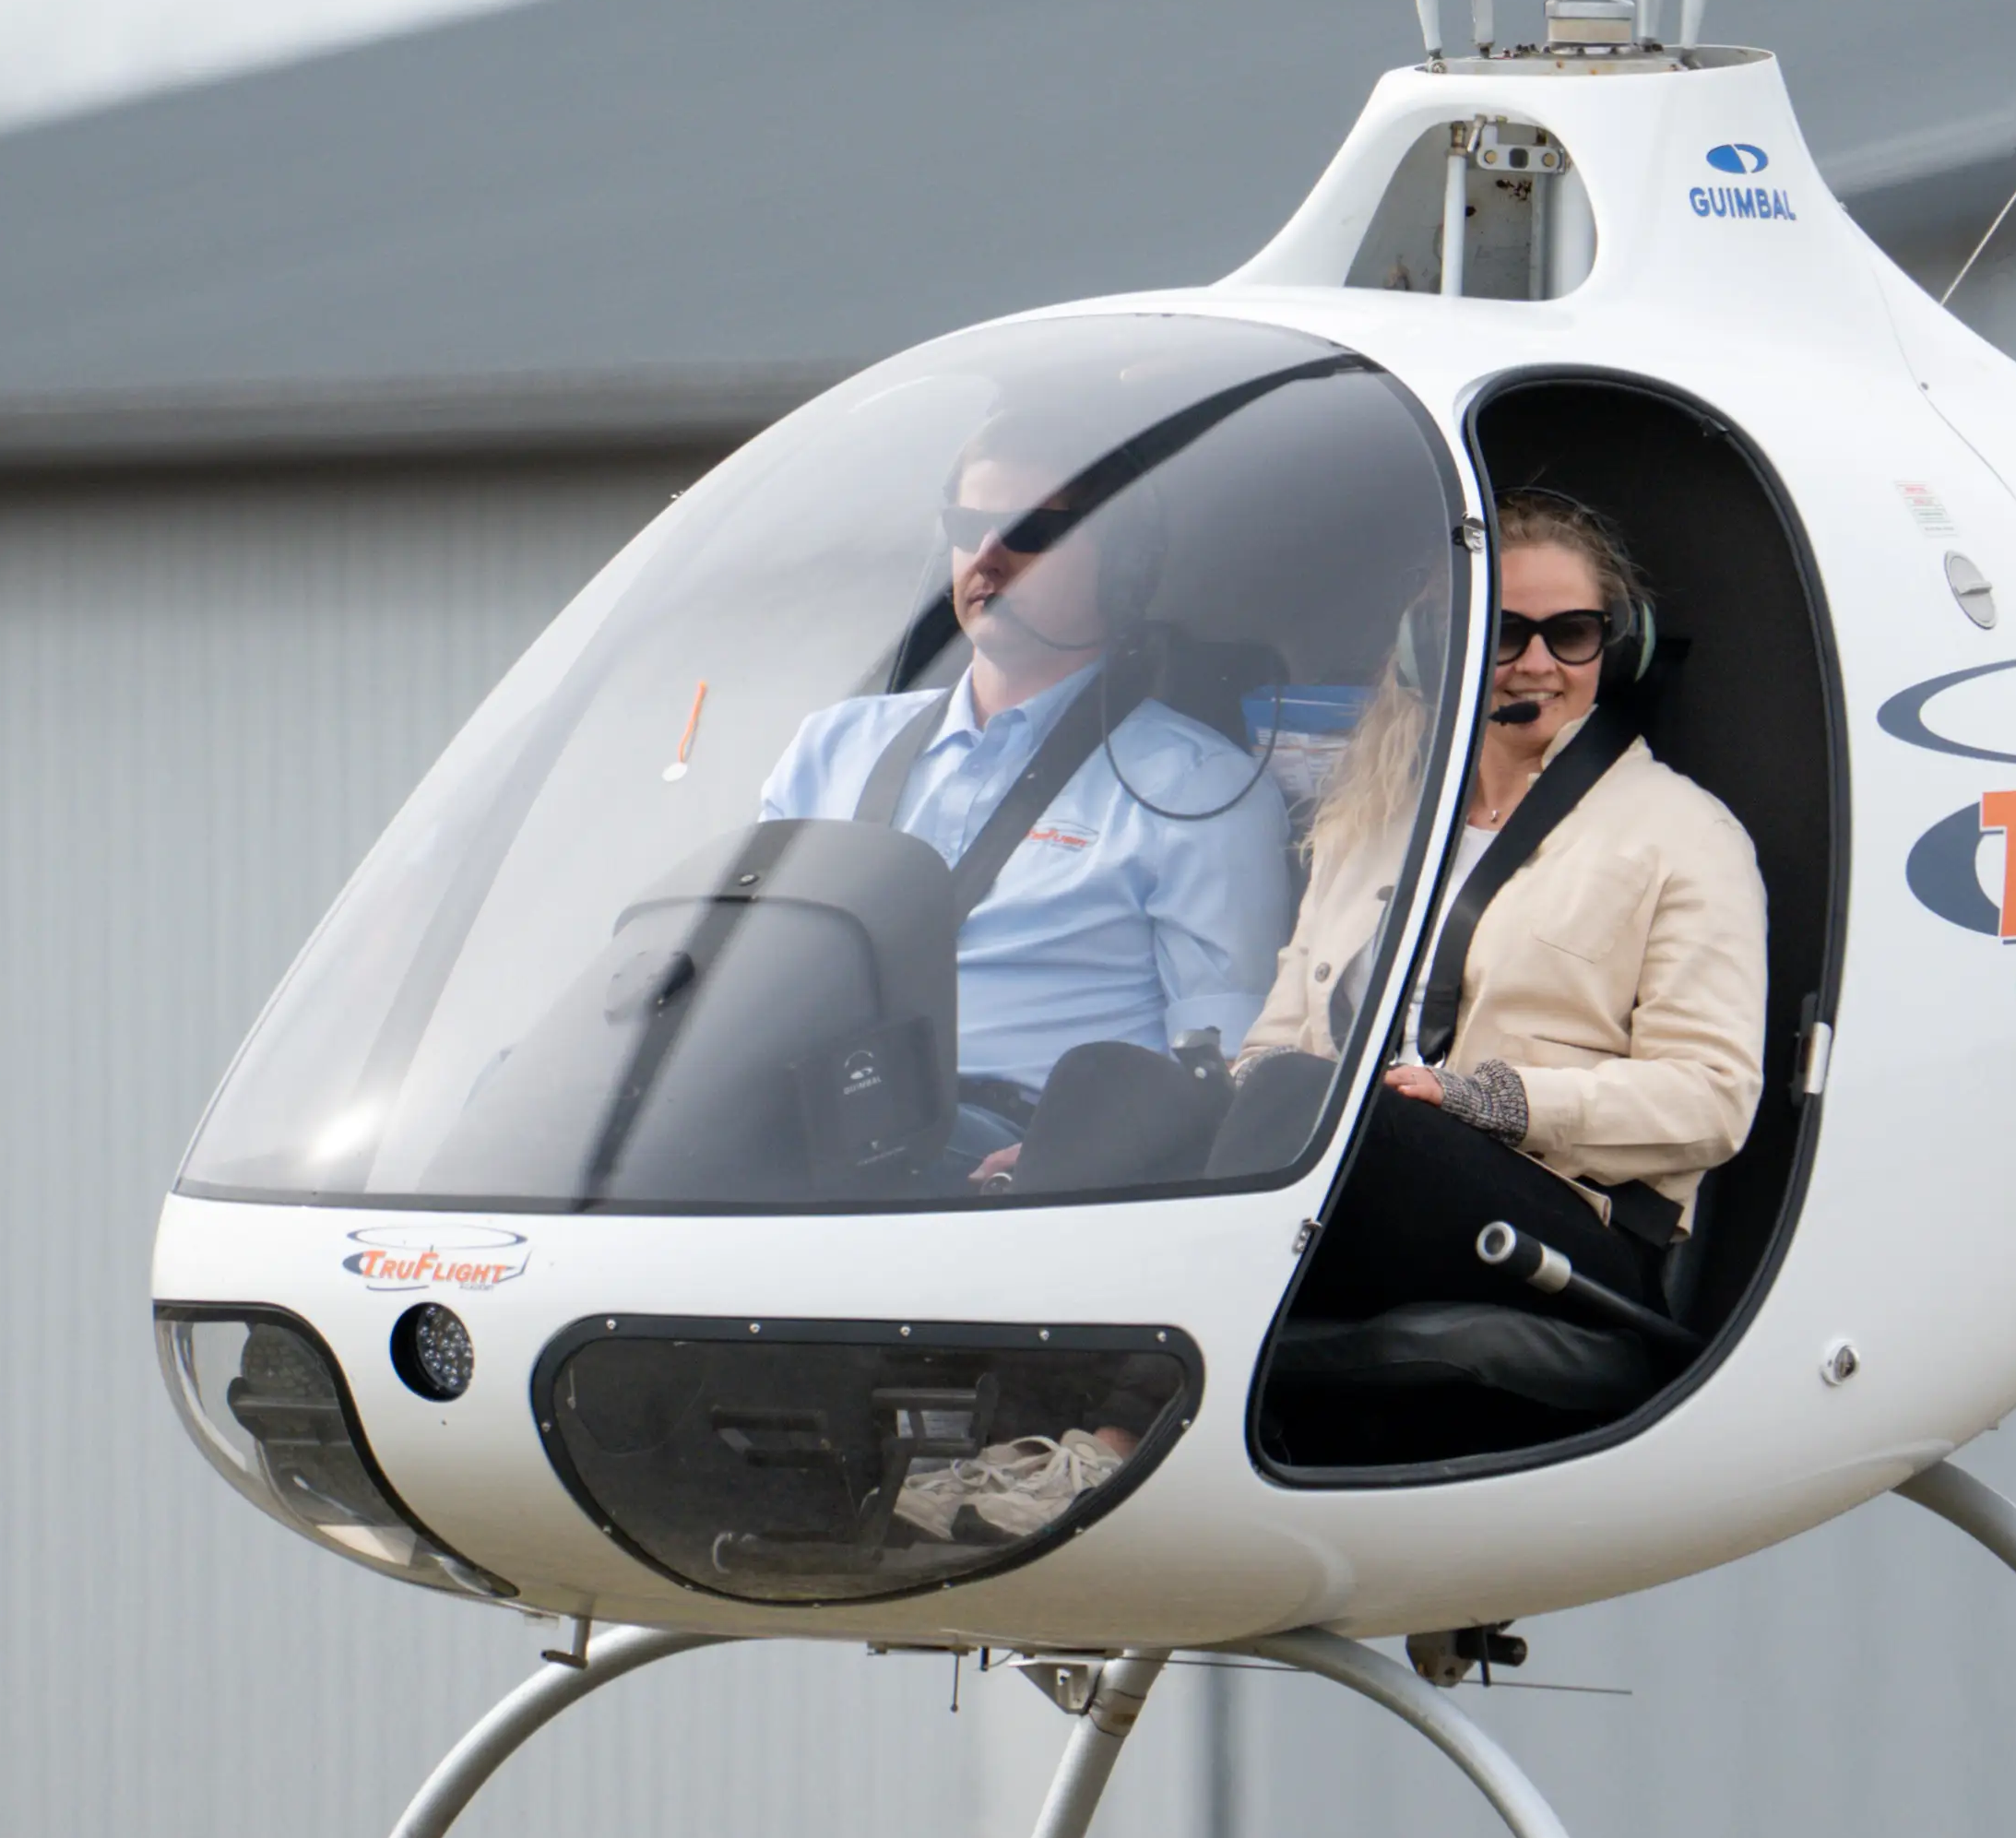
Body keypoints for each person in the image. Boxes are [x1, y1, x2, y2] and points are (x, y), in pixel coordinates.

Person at [1242, 493, 1766, 1328]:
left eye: (1571, 634)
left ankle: (1117, 1438)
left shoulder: (1687, 834)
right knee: (1111, 1079)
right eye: (1506, 631)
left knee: (1343, 1122)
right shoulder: (1373, 823)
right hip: (1354, 1159)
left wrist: (1489, 1101)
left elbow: (1712, 1097)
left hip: (1559, 1216)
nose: (1537, 663)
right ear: (1435, 649)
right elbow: (1275, 1044)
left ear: (1614, 647)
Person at [752, 410, 1297, 1174]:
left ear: (1123, 565)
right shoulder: (831, 747)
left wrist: (1076, 1151)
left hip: (1023, 1150)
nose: (988, 555)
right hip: (811, 1124)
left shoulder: (1197, 786)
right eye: (968, 524)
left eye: (1029, 531)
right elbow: (747, 973)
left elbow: (1223, 1060)